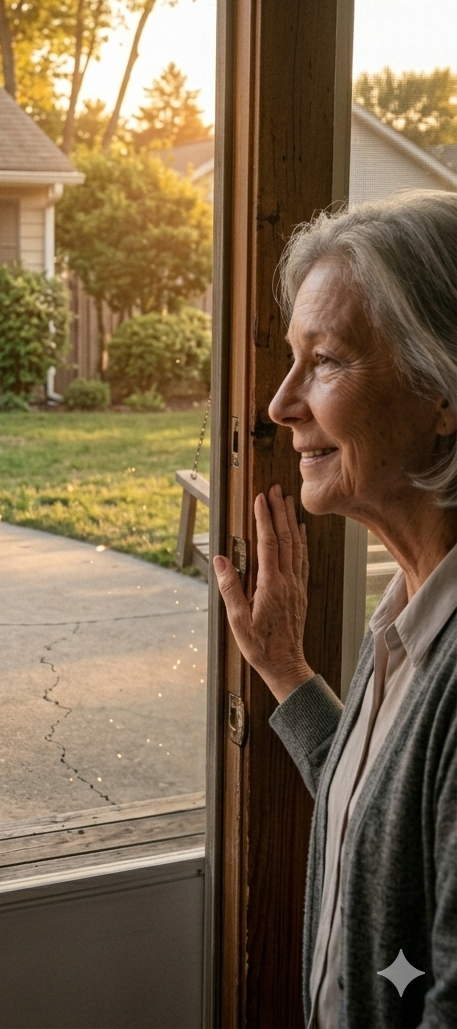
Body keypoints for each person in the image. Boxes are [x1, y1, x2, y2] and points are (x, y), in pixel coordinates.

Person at [213, 191, 457, 1027]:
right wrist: (286, 670)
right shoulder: (410, 611)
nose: (282, 405)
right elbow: (388, 822)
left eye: (325, 361)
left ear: (443, 392)